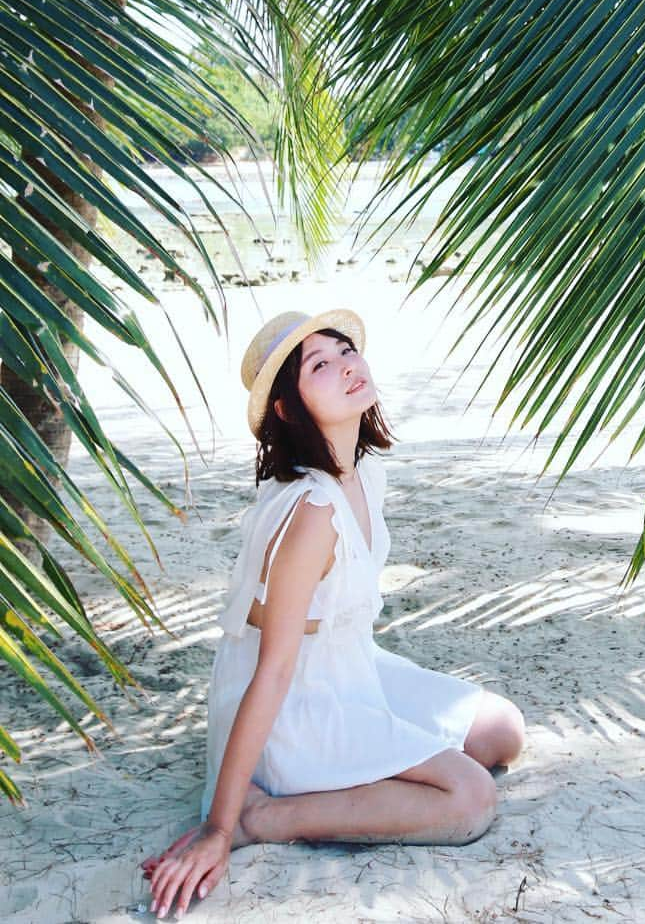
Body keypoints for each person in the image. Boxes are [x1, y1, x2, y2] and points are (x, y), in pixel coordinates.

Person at [142, 308, 525, 920]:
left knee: (502, 730)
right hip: (297, 706)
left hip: (348, 668)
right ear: (289, 411)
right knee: (471, 799)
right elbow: (271, 672)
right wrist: (218, 827)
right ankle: (265, 814)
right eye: (319, 365)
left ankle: (347, 782)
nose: (346, 365)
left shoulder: (360, 470)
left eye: (345, 349)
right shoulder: (311, 512)